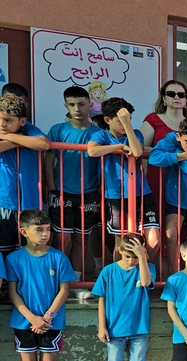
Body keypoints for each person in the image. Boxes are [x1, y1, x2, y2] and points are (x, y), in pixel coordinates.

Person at [10, 210, 73, 361]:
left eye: (48, 229)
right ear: (24, 231)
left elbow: (64, 290)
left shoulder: (59, 257)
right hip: (24, 322)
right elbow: (13, 292)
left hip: (51, 323)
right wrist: (32, 318)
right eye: (39, 230)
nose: (45, 234)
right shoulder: (14, 259)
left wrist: (47, 317)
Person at [91, 233, 156, 361]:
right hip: (114, 329)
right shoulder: (108, 271)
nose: (131, 261)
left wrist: (142, 257)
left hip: (139, 327)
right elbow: (101, 300)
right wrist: (102, 326)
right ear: (119, 250)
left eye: (135, 256)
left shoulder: (147, 267)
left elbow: (146, 282)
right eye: (128, 256)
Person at [43, 86, 101, 294]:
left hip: (89, 194)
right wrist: (52, 189)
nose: (77, 108)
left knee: (81, 240)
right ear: (66, 106)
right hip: (62, 193)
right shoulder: (57, 130)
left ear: (90, 104)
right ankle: (56, 280)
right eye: (72, 104)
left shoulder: (99, 133)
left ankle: (75, 282)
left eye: (81, 104)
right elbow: (48, 161)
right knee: (61, 239)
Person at [87, 97, 160, 261]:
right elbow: (92, 151)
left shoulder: (135, 133)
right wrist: (119, 147)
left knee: (153, 241)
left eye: (129, 119)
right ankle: (123, 274)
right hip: (115, 195)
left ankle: (142, 269)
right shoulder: (101, 135)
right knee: (121, 243)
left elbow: (137, 151)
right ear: (107, 120)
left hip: (142, 193)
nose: (126, 123)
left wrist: (127, 125)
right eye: (121, 120)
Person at [148, 117, 187, 274]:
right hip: (175, 198)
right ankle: (175, 275)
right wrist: (180, 156)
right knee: (170, 235)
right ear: (178, 137)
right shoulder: (170, 139)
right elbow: (153, 158)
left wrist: (172, 155)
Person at [0, 94, 50, 257]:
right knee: (4, 249)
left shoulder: (28, 129)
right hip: (4, 202)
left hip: (30, 203)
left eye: (8, 120)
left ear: (22, 121)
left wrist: (8, 137)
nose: (2, 124)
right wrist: (21, 140)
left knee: (31, 250)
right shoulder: (24, 134)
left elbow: (43, 143)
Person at [141, 80, 187, 196]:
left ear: (186, 100)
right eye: (171, 94)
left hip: (183, 180)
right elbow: (141, 148)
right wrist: (172, 155)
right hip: (158, 177)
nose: (176, 97)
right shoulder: (153, 119)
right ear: (164, 99)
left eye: (181, 95)